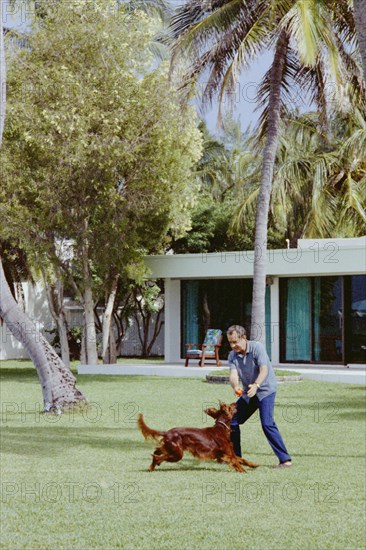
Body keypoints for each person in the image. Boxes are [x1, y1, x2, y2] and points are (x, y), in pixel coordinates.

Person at [227, 324, 292, 468]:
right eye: (230, 342)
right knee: (232, 421)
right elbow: (233, 374)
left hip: (265, 390)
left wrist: (256, 385)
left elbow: (264, 369)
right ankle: (236, 458)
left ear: (244, 338)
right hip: (249, 393)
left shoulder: (257, 348)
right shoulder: (232, 355)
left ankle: (285, 460)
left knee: (267, 423)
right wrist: (235, 386)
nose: (233, 345)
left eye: (235, 341)